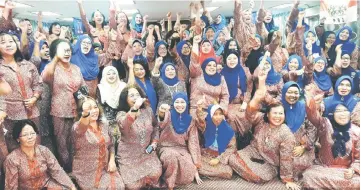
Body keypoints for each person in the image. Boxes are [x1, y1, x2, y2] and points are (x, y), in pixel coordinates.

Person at [228, 68, 300, 190]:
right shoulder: (261, 119)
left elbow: (286, 157)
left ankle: (246, 171)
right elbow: (250, 114)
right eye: (275, 113)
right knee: (233, 158)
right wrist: (258, 92)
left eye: (281, 114)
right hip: (253, 152)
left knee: (260, 176)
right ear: (267, 114)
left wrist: (287, 179)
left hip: (270, 163)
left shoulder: (286, 133)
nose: (278, 116)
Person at [42, 39, 86, 172]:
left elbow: (83, 87)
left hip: (77, 112)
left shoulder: (76, 68)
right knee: (62, 144)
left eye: (68, 50)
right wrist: (56, 58)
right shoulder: (52, 68)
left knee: (76, 141)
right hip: (59, 112)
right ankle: (67, 171)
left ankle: (77, 169)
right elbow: (45, 78)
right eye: (63, 50)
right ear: (55, 53)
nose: (67, 53)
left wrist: (82, 97)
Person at [302, 94, 360, 189]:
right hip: (324, 169)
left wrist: (353, 170)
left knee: (358, 182)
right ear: (333, 114)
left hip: (344, 172)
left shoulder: (357, 131)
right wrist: (313, 102)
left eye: (345, 111)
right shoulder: (326, 125)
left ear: (349, 114)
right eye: (338, 111)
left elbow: (359, 158)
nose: (342, 114)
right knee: (308, 176)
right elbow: (312, 116)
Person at [0, 32, 43, 152]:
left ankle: (36, 169)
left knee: (35, 142)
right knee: (14, 146)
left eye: (11, 41)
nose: (8, 44)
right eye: (3, 42)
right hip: (11, 114)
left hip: (32, 112)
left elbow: (38, 84)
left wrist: (34, 98)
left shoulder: (27, 64)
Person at [4, 120, 76, 190]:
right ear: (18, 139)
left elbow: (57, 171)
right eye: (25, 134)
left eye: (32, 133)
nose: (30, 137)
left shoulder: (44, 151)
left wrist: (71, 186)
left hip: (47, 186)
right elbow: (11, 186)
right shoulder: (12, 159)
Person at [72, 97, 125, 189]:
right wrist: (85, 114)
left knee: (119, 187)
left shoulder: (104, 125)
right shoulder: (77, 127)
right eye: (89, 109)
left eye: (95, 107)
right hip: (86, 172)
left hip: (105, 169)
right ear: (81, 111)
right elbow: (81, 127)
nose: (94, 111)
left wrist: (112, 161)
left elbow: (111, 145)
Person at [116, 85, 162, 189]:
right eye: (132, 95)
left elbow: (156, 127)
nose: (136, 97)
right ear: (125, 99)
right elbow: (124, 125)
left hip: (146, 153)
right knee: (132, 186)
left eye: (137, 94)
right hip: (129, 156)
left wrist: (154, 142)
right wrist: (135, 108)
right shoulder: (121, 114)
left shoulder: (148, 111)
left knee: (156, 174)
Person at [157, 93, 203, 189]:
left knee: (189, 170)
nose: (180, 105)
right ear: (173, 104)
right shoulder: (168, 114)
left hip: (182, 149)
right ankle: (170, 185)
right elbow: (161, 122)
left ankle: (175, 180)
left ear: (186, 103)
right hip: (166, 147)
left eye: (182, 102)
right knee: (171, 157)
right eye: (177, 102)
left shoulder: (190, 120)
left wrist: (195, 167)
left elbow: (193, 142)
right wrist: (161, 110)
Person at [281, 82, 317, 179]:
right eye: (290, 92)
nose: (293, 95)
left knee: (299, 164)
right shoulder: (278, 106)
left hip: (301, 144)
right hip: (282, 145)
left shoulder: (304, 107)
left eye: (296, 93)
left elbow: (312, 128)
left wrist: (304, 146)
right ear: (284, 92)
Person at [189, 35, 229, 116]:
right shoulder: (198, 75)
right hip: (198, 109)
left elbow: (225, 95)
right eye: (209, 65)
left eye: (214, 65)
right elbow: (194, 63)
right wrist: (195, 44)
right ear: (204, 66)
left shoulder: (220, 78)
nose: (212, 67)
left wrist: (221, 108)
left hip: (214, 110)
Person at [196, 103, 236, 179]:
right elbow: (200, 119)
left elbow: (231, 148)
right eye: (215, 114)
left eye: (220, 114)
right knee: (196, 164)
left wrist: (218, 159)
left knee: (228, 172)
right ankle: (204, 171)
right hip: (206, 154)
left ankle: (206, 172)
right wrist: (199, 108)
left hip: (220, 156)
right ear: (210, 115)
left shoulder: (228, 130)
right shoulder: (206, 125)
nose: (218, 117)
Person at [96, 66, 127, 150]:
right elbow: (99, 105)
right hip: (106, 120)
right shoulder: (100, 88)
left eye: (114, 73)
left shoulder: (123, 86)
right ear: (104, 75)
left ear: (117, 75)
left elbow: (127, 104)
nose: (111, 76)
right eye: (108, 74)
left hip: (122, 119)